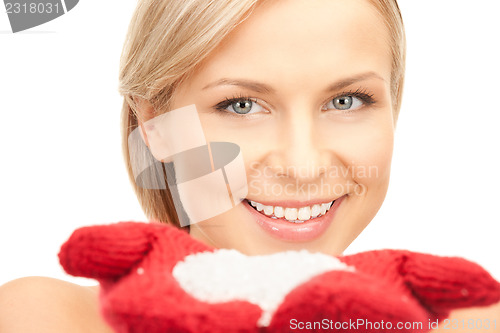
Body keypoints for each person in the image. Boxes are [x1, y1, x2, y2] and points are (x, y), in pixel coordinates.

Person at [0, 0, 498, 332]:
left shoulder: (473, 321)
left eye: (346, 100)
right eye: (241, 105)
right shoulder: (45, 319)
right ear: (154, 123)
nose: (302, 166)